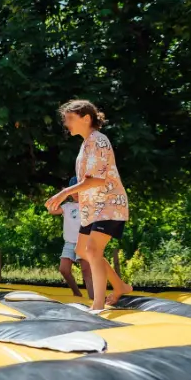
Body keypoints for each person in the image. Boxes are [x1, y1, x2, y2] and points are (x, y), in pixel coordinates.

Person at [46, 100, 131, 312]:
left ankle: (98, 306)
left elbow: (97, 180)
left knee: (92, 250)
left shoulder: (99, 141)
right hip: (92, 209)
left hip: (109, 204)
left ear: (86, 118)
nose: (66, 124)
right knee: (82, 250)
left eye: (70, 119)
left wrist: (66, 192)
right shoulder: (85, 144)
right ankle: (120, 286)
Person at [49, 177, 93, 298]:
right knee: (64, 270)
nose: (76, 194)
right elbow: (51, 210)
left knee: (86, 271)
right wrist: (62, 195)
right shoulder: (67, 206)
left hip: (84, 242)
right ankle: (77, 293)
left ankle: (93, 298)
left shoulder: (89, 205)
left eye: (78, 191)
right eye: (73, 192)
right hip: (69, 242)